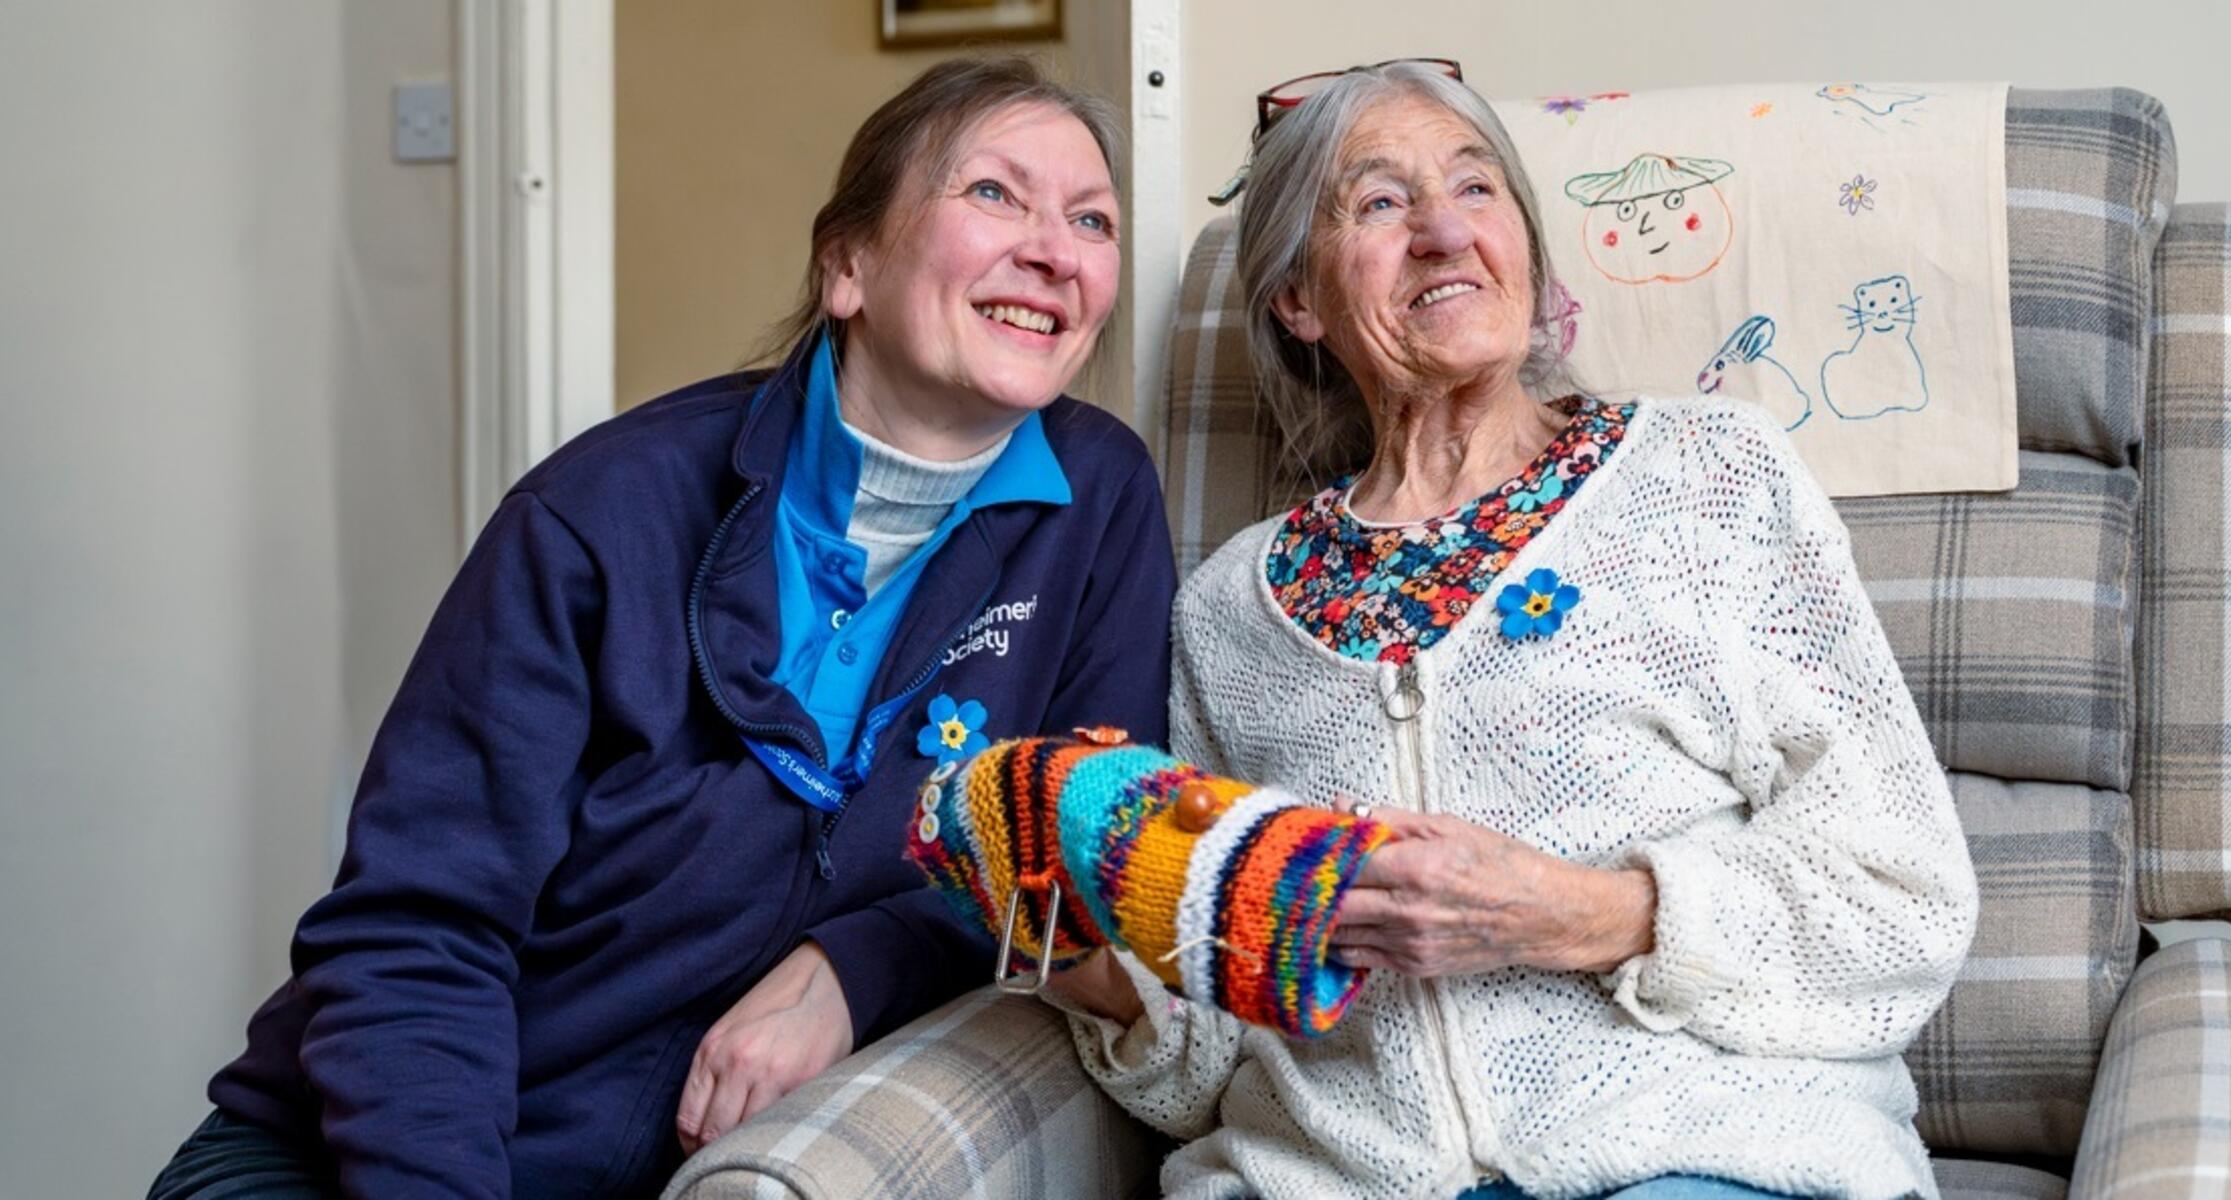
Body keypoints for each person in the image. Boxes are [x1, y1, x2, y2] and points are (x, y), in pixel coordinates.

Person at [150, 56, 1173, 1199]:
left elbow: (1079, 853)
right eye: (994, 194)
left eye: (1092, 220)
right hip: (366, 1156)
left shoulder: (1097, 503)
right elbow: (417, 931)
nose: (1054, 249)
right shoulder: (600, 513)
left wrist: (852, 965)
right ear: (847, 263)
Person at [1043, 61, 1978, 1200]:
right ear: (1298, 297)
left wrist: (1581, 914)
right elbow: (1210, 1058)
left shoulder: (1709, 479)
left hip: (1708, 1153)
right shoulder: (1229, 612)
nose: (1444, 231)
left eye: (1477, 190)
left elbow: (1905, 897)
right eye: (1381, 204)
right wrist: (1091, 962)